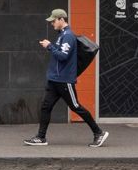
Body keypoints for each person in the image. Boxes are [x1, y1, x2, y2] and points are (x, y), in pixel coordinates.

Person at [25, 8, 107, 147]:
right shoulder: (62, 35)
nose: (52, 24)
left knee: (76, 107)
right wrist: (51, 47)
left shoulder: (68, 36)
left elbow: (63, 56)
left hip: (64, 81)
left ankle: (98, 133)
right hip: (55, 80)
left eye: (53, 21)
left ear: (61, 19)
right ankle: (41, 137)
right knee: (46, 107)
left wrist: (49, 46)